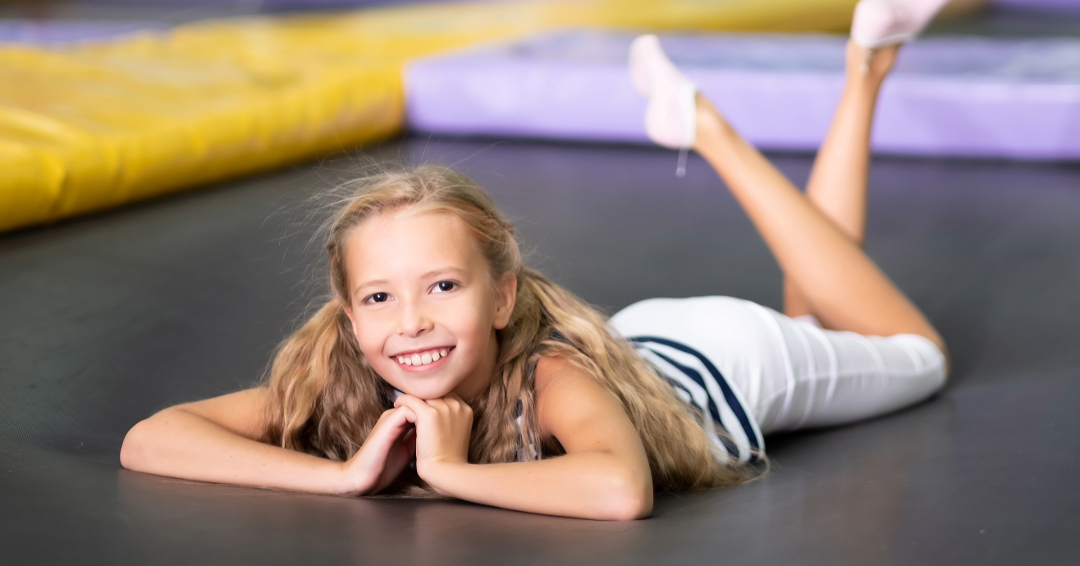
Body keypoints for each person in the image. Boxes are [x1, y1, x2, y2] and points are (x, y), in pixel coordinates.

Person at [120, 0, 951, 521]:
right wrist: (341, 481)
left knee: (919, 357)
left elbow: (618, 491)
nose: (409, 321)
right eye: (378, 298)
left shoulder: (551, 373)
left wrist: (446, 470)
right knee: (820, 295)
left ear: (502, 297)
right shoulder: (346, 372)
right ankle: (868, 69)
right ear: (348, 316)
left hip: (730, 362)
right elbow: (153, 439)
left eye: (443, 286)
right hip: (640, 342)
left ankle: (713, 133)